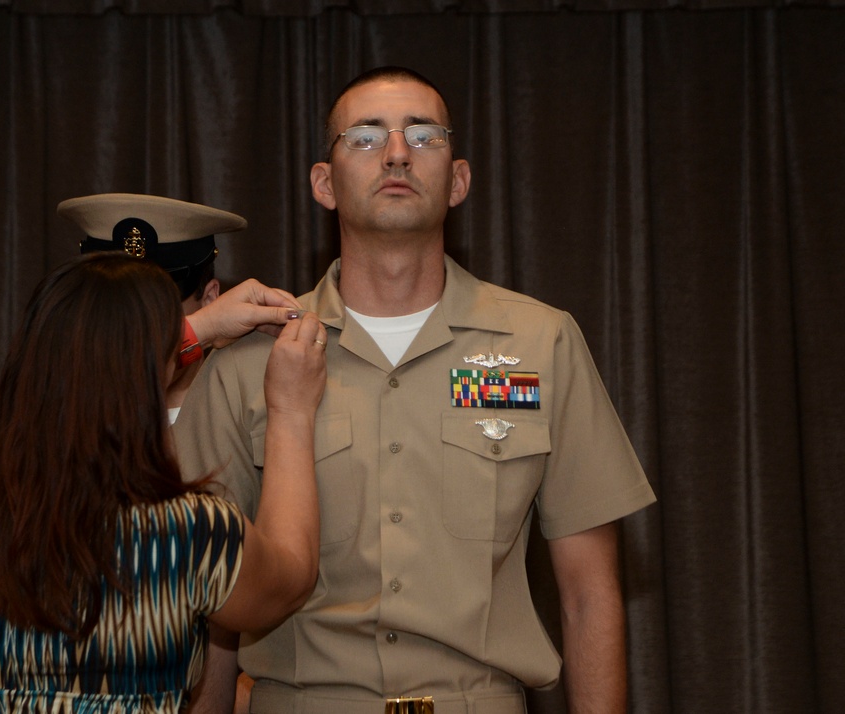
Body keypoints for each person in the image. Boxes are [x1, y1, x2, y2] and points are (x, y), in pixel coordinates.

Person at [175, 66, 657, 714]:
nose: (398, 153)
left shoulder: (541, 345)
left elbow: (589, 593)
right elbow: (212, 606)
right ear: (324, 183)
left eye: (424, 136)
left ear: (458, 179)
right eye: (366, 137)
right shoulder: (252, 361)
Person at [0, 251, 328, 713]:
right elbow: (289, 576)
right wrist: (289, 411)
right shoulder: (184, 532)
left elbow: (15, 416)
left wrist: (186, 332)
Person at [58, 192, 284, 414]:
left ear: (209, 299)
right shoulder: (65, 414)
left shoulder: (252, 405)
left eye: (157, 308)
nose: (134, 327)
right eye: (112, 307)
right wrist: (200, 329)